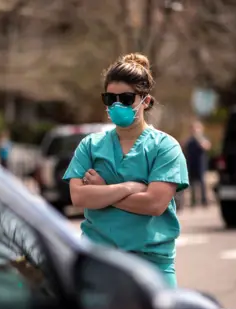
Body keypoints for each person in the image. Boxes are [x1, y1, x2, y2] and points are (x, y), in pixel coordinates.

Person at [62, 52, 189, 288]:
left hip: (152, 268)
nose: (117, 104)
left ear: (146, 101)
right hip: (99, 264)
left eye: (127, 98)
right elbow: (79, 196)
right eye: (111, 98)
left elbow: (154, 204)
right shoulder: (90, 145)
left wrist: (103, 193)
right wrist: (127, 188)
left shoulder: (165, 147)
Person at [184, 120, 211, 207]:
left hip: (200, 164)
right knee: (191, 183)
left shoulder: (202, 139)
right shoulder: (189, 140)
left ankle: (204, 200)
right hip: (191, 164)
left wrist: (198, 137)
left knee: (202, 182)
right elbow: (183, 147)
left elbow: (206, 146)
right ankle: (193, 201)